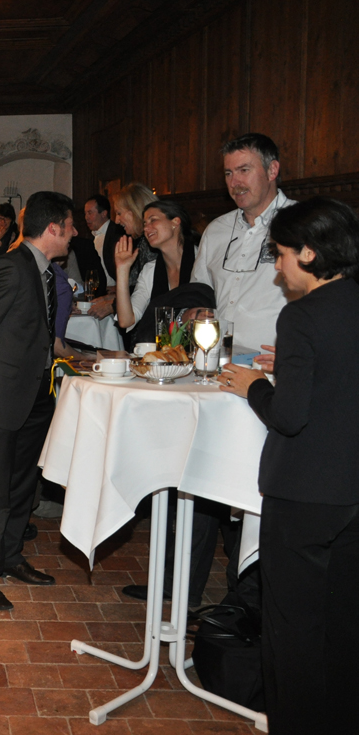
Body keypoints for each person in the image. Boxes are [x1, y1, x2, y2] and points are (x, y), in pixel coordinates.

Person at [217, 197, 359, 734]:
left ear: (309, 253)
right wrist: (298, 367)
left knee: (292, 630)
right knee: (343, 623)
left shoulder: (301, 315)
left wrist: (255, 385)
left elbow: (289, 416)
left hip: (303, 494)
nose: (277, 268)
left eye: (280, 255)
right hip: (352, 490)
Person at [0, 191, 76, 611]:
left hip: (36, 393)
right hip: (2, 395)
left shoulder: (44, 271)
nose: (74, 233)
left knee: (23, 485)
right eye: (70, 226)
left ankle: (9, 556)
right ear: (54, 228)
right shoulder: (11, 267)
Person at [191, 133, 293, 352]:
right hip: (219, 359)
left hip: (275, 361)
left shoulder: (302, 222)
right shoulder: (216, 230)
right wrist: (195, 310)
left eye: (244, 170)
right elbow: (200, 291)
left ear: (272, 170)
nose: (234, 183)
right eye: (228, 173)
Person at [113, 200, 198, 333]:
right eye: (144, 224)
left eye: (153, 220)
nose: (146, 228)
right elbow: (126, 320)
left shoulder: (203, 260)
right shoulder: (150, 270)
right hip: (162, 344)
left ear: (175, 222)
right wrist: (122, 270)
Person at [85, 193, 119, 289]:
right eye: (85, 213)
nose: (86, 217)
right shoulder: (92, 236)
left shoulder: (117, 233)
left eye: (90, 213)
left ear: (104, 213)